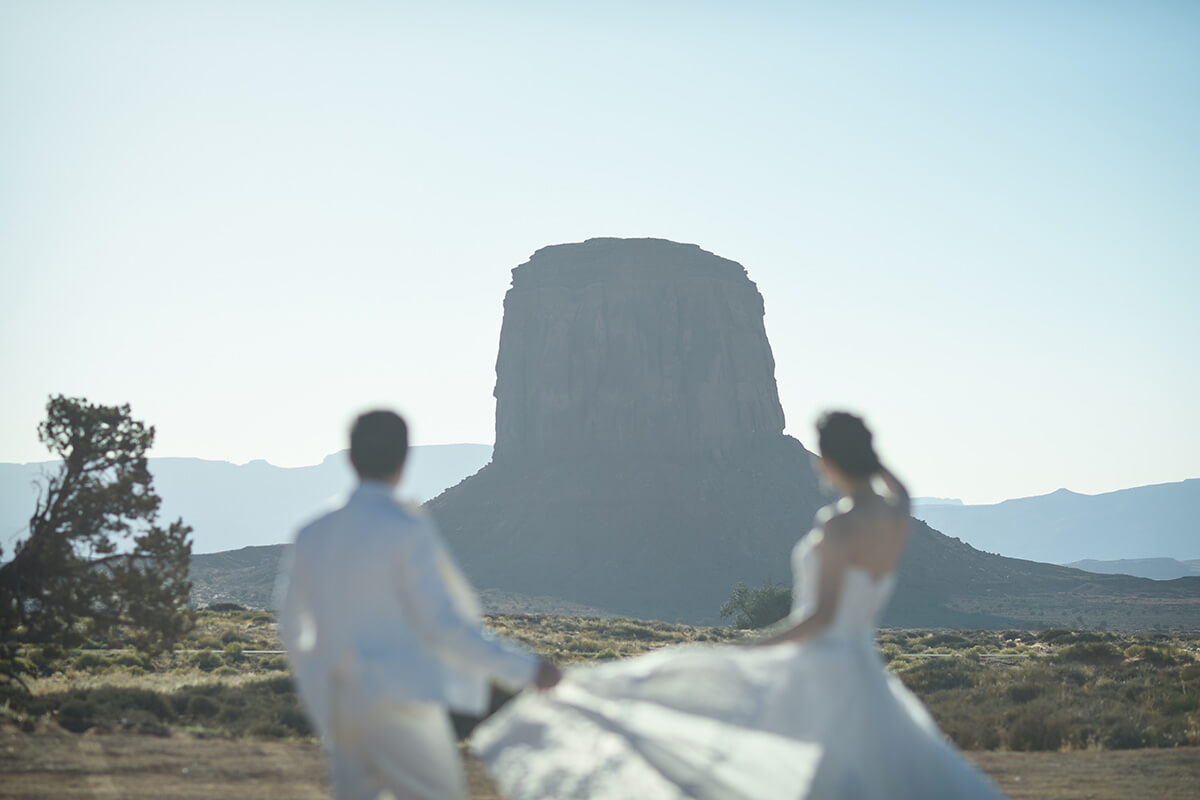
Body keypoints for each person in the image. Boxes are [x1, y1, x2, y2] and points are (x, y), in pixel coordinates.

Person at [471, 411, 1007, 799]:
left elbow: (818, 619)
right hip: (867, 668)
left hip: (823, 668)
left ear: (830, 459)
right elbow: (899, 487)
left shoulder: (839, 526)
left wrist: (753, 647)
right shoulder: (895, 514)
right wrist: (868, 456)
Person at [278, 409, 561, 800]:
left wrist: (320, 696)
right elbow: (442, 624)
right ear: (404, 460)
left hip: (342, 705)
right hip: (403, 706)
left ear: (350, 458)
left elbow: (291, 629)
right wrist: (527, 668)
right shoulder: (404, 529)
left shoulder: (312, 533)